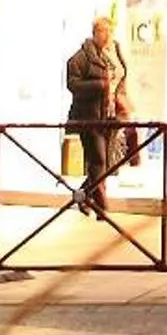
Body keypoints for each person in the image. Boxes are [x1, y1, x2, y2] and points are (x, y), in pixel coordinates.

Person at [64, 13, 129, 217]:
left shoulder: (113, 52)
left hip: (110, 114)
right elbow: (73, 84)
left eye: (110, 31)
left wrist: (121, 98)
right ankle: (101, 206)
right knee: (98, 159)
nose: (108, 35)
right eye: (103, 31)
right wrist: (100, 85)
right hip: (89, 115)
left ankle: (84, 195)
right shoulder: (81, 57)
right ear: (94, 33)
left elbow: (120, 76)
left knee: (106, 162)